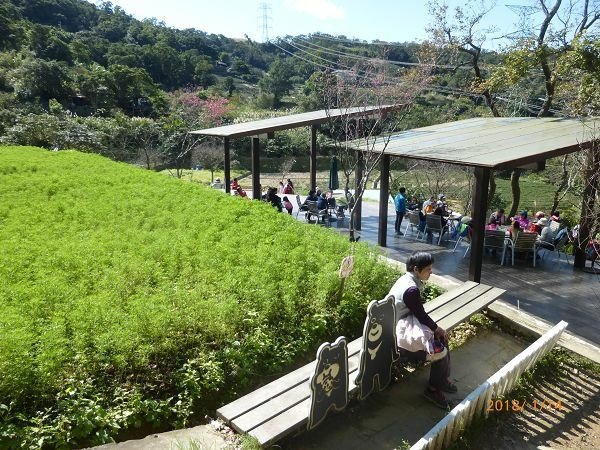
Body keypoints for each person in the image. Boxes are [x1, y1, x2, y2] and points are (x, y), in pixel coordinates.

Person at [388, 252, 455, 409]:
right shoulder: (411, 289)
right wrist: (437, 328)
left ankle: (442, 380)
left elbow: (420, 314)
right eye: (428, 269)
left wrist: (437, 330)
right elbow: (422, 315)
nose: (431, 272)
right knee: (440, 350)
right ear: (417, 269)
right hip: (399, 337)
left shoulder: (407, 279)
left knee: (441, 338)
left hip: (401, 325)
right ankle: (432, 390)